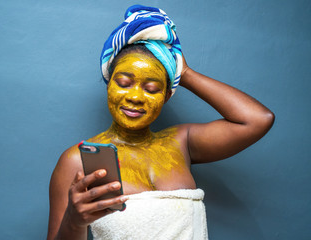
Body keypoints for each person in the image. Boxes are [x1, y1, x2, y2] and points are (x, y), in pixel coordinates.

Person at [47, 5, 274, 240]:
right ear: (109, 84)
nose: (135, 97)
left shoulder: (181, 143)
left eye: (152, 88)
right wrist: (74, 222)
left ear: (166, 96)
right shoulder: (77, 161)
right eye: (123, 83)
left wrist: (184, 73)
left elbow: (257, 120)